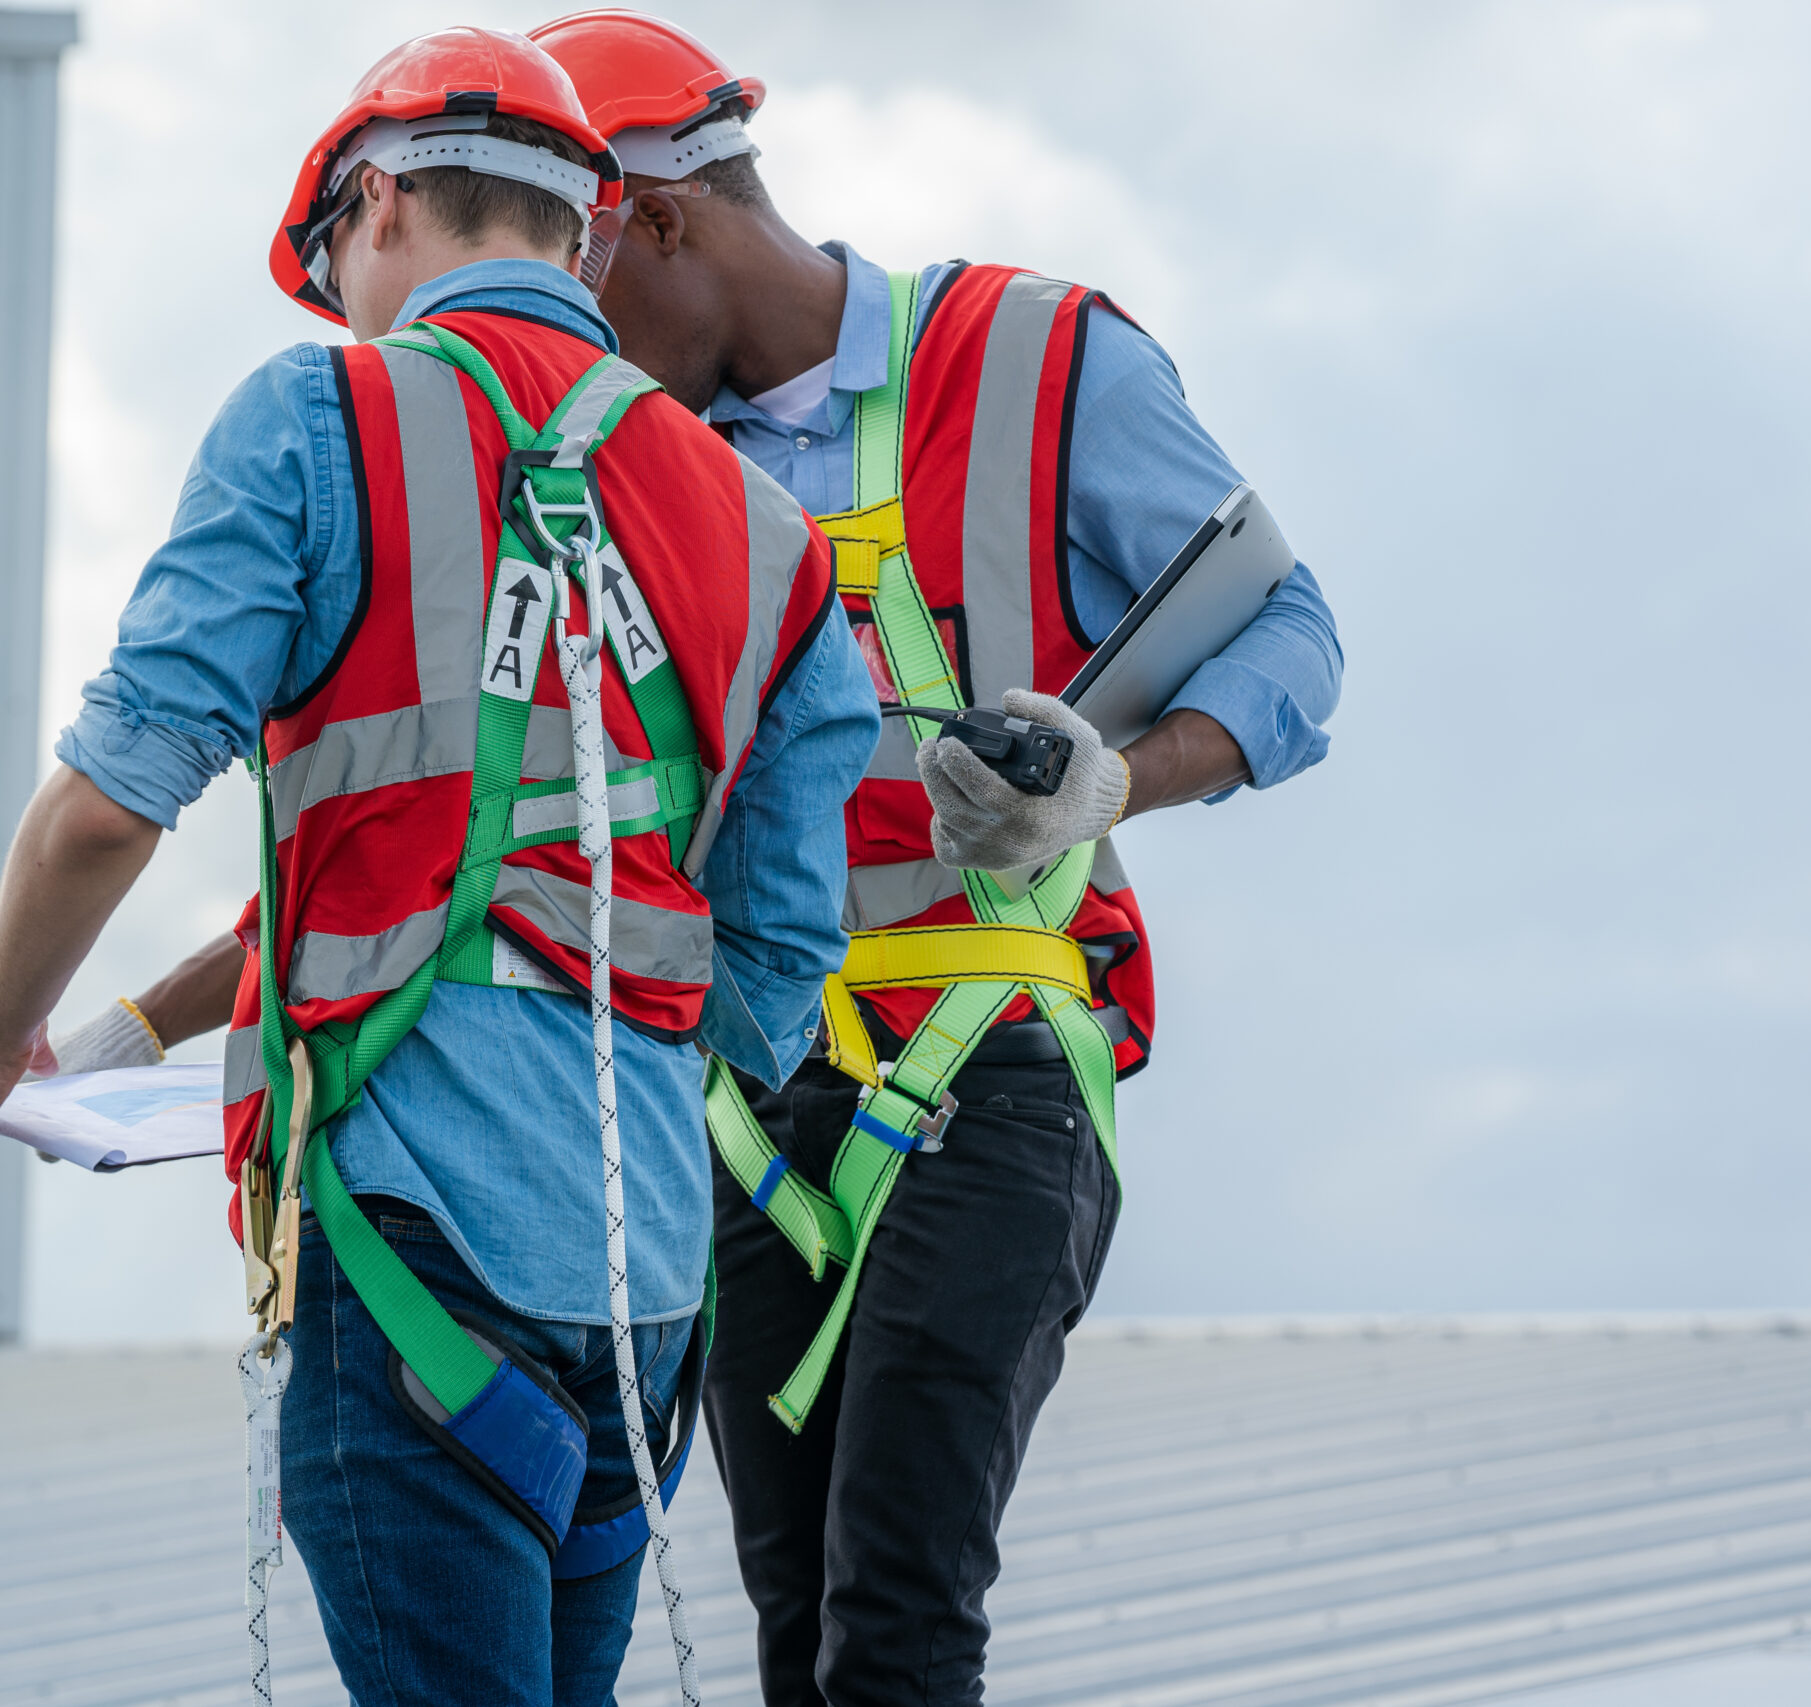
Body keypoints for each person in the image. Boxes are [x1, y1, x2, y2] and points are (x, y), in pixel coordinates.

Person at [0, 26, 878, 1706]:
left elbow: (109, 799)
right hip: (643, 1301)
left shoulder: (318, 414)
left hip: (416, 1242)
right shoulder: (762, 526)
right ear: (583, 233)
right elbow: (783, 944)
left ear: (374, 206)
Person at [525, 13, 1347, 1704]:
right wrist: (136, 1030)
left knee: (895, 1613)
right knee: (798, 1630)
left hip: (993, 1067)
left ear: (656, 222)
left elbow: (1290, 633)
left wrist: (1112, 782)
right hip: (751, 1108)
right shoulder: (624, 475)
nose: (565, 359)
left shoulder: (1040, 359)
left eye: (572, 292)